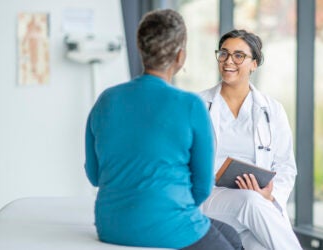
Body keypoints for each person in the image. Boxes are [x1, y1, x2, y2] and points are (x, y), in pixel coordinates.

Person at [84, 9, 243, 250]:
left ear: (141, 50)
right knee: (231, 244)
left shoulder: (106, 100)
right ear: (180, 56)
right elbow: (201, 188)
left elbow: (95, 176)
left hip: (111, 227)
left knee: (230, 235)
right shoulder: (190, 106)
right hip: (170, 229)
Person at [199, 29, 302, 250]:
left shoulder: (272, 110)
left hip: (256, 205)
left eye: (239, 55)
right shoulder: (198, 105)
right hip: (210, 197)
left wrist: (270, 195)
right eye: (224, 54)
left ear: (254, 63)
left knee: (260, 243)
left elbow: (286, 166)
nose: (229, 61)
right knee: (250, 201)